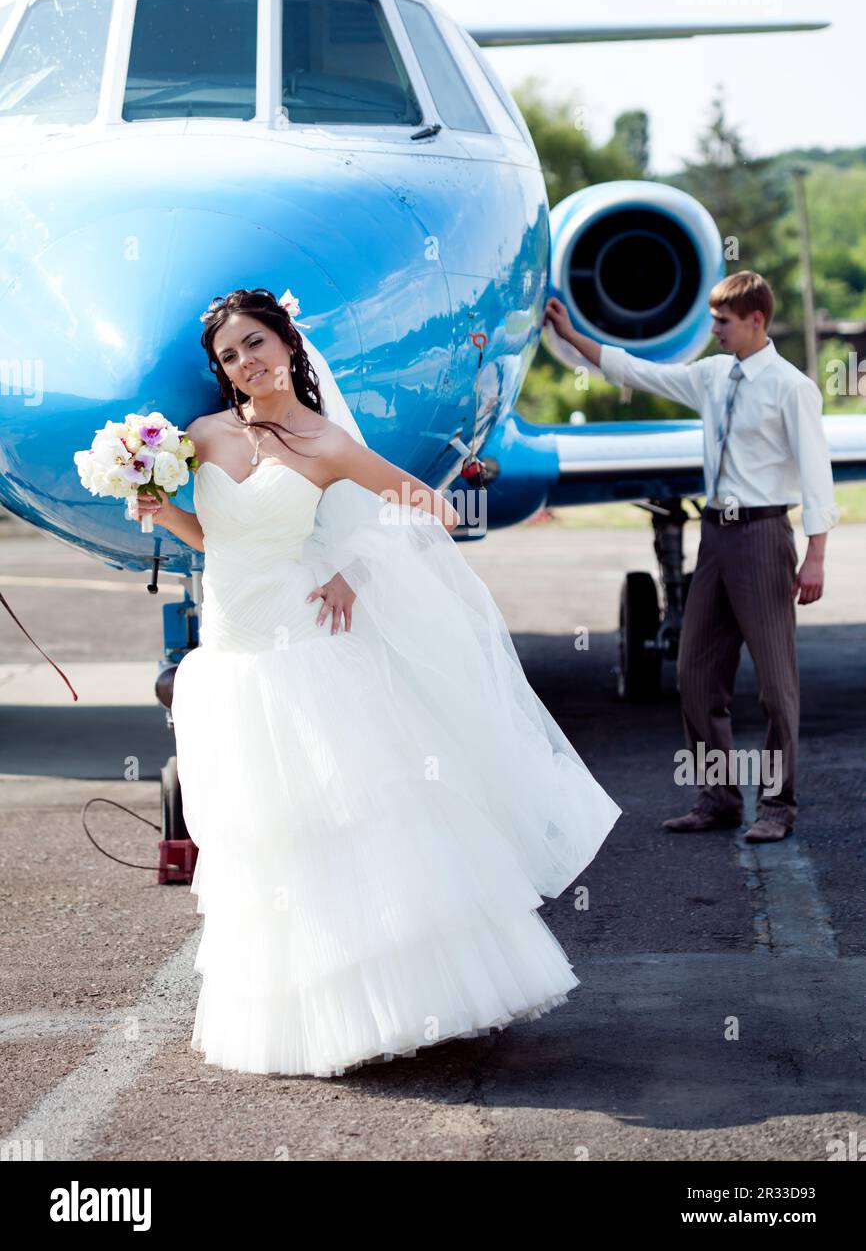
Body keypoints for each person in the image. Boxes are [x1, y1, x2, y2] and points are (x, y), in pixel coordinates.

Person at [130, 287, 621, 1079]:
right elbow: (216, 536)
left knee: (346, 825)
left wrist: (354, 571)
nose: (246, 363)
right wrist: (162, 511)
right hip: (227, 655)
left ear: (288, 344)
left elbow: (431, 507)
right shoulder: (203, 434)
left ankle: (396, 1004)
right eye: (229, 356)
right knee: (266, 838)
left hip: (302, 644)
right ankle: (301, 1015)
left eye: (256, 343)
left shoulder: (325, 443)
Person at [544, 270, 838, 845]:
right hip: (716, 540)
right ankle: (719, 798)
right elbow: (637, 370)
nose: (714, 331)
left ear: (756, 319)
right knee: (694, 674)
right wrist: (572, 333)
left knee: (777, 686)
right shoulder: (711, 377)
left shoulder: (791, 386)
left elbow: (817, 476)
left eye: (723, 322)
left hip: (762, 537)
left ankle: (777, 805)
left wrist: (816, 556)